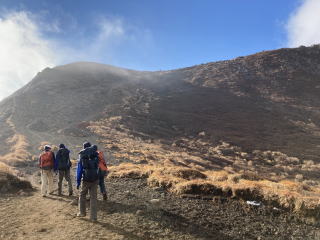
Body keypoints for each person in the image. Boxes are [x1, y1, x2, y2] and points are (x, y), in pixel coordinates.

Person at [76, 142, 99, 221]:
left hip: (86, 179)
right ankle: (93, 217)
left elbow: (79, 170)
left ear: (84, 147)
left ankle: (82, 213)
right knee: (93, 197)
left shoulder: (82, 155)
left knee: (82, 195)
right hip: (95, 179)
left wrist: (78, 182)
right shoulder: (95, 154)